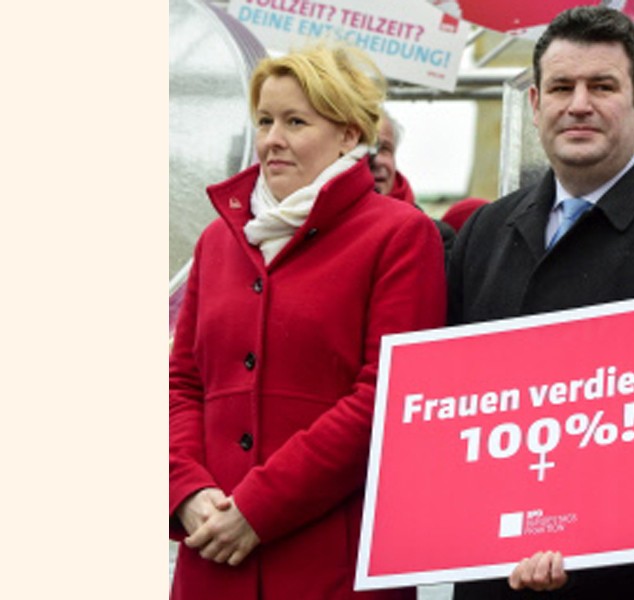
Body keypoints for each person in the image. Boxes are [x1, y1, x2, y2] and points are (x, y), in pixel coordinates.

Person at [169, 42, 446, 600]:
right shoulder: (217, 241)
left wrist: (258, 508)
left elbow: (386, 398)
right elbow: (182, 383)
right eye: (266, 120)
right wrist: (187, 491)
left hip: (332, 566)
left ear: (349, 135)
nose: (272, 139)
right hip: (211, 559)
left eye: (296, 121)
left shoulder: (401, 236)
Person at [448, 6, 634, 599]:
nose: (579, 104)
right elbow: (453, 404)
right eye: (562, 87)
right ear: (535, 104)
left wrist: (580, 527)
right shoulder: (485, 231)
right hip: (493, 568)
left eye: (602, 86)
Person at [369, 109, 456, 254]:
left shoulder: (436, 237)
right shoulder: (323, 229)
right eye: (366, 149)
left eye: (385, 149)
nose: (377, 160)